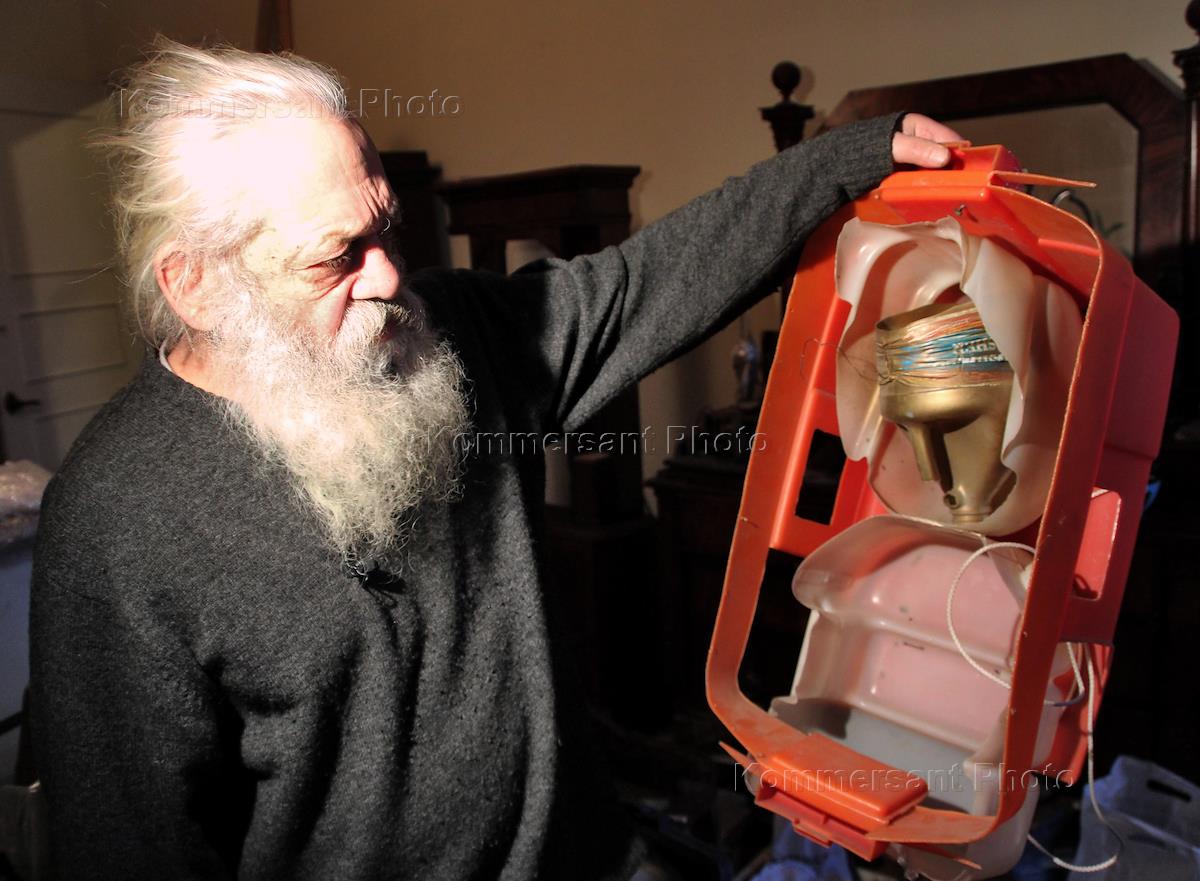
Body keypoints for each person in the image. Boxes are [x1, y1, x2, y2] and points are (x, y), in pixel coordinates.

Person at [27, 38, 960, 881]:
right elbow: (126, 850)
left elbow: (641, 283)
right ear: (195, 284)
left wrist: (843, 163)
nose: (389, 276)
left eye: (383, 228)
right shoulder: (116, 520)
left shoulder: (449, 333)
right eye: (336, 257)